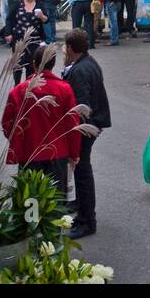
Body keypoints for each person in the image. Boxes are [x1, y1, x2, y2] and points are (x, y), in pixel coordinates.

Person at [2, 43, 80, 192]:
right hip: (58, 153)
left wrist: (20, 141)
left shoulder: (18, 91)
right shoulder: (64, 89)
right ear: (54, 63)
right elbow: (73, 125)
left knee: (30, 200)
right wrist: (74, 153)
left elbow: (7, 124)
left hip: (28, 153)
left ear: (33, 64)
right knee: (55, 202)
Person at [63, 28, 110, 237]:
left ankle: (87, 219)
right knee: (82, 170)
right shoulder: (88, 63)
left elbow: (81, 104)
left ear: (70, 48)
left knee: (82, 171)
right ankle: (82, 206)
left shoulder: (79, 70)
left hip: (86, 126)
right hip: (95, 121)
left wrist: (77, 131)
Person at [7, 0, 48, 84]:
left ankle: (27, 87)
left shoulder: (39, 5)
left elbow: (46, 20)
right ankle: (16, 86)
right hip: (18, 39)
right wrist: (8, 33)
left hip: (34, 40)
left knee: (31, 65)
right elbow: (9, 18)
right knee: (18, 65)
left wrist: (41, 16)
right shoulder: (17, 3)